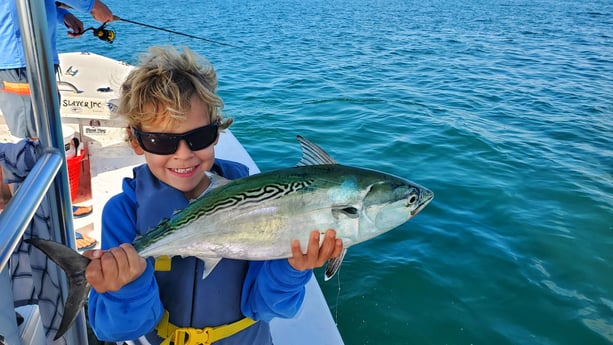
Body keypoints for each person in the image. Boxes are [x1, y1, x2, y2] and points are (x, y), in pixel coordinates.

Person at [84, 46, 344, 344]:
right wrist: (126, 287)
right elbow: (116, 330)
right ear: (135, 141)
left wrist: (293, 269)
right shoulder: (124, 212)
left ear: (217, 131)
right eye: (160, 140)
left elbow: (266, 307)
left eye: (198, 137)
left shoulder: (262, 204)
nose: (183, 155)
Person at [0, 0, 113, 249]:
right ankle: (36, 231)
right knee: (31, 144)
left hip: (35, 55)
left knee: (46, 138)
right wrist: (92, 6)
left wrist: (61, 14)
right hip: (21, 59)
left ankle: (51, 214)